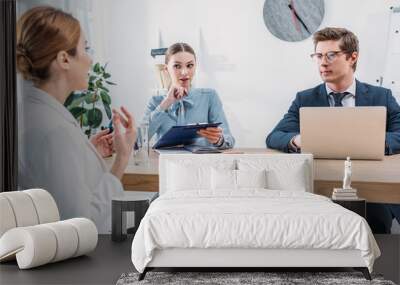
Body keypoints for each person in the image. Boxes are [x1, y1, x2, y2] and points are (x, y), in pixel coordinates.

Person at [266, 27, 400, 233]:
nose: (323, 62)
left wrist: (376, 142)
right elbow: (275, 136)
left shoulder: (381, 96)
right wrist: (299, 140)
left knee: (376, 222)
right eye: (318, 55)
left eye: (331, 55)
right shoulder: (305, 99)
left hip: (370, 187)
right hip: (320, 187)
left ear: (352, 57)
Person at [16, 6, 136, 233]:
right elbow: (82, 225)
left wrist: (84, 154)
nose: (90, 60)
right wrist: (122, 158)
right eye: (85, 48)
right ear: (64, 59)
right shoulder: (55, 131)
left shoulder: (35, 113)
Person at [143, 42, 234, 149]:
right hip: (165, 163)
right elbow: (140, 140)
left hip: (201, 162)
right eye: (177, 66)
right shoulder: (156, 101)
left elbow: (229, 140)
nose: (184, 72)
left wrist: (219, 140)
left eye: (190, 65)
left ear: (195, 66)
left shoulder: (210, 97)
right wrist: (166, 103)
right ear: (166, 69)